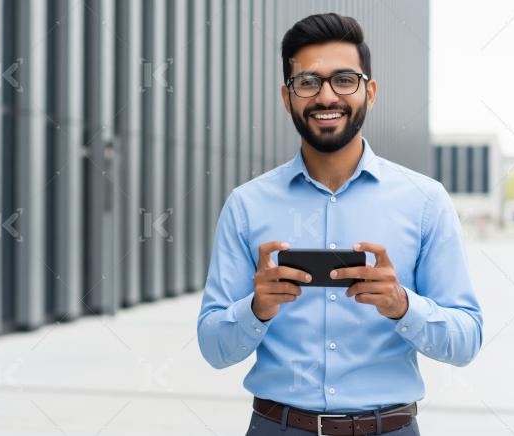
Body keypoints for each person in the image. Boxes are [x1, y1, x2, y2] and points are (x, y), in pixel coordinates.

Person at [196, 13, 483, 436]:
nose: (326, 96)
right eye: (308, 82)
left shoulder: (425, 201)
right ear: (287, 96)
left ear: (370, 92)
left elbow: (466, 341)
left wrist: (403, 305)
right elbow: (213, 347)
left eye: (344, 80)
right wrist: (256, 309)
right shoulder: (247, 204)